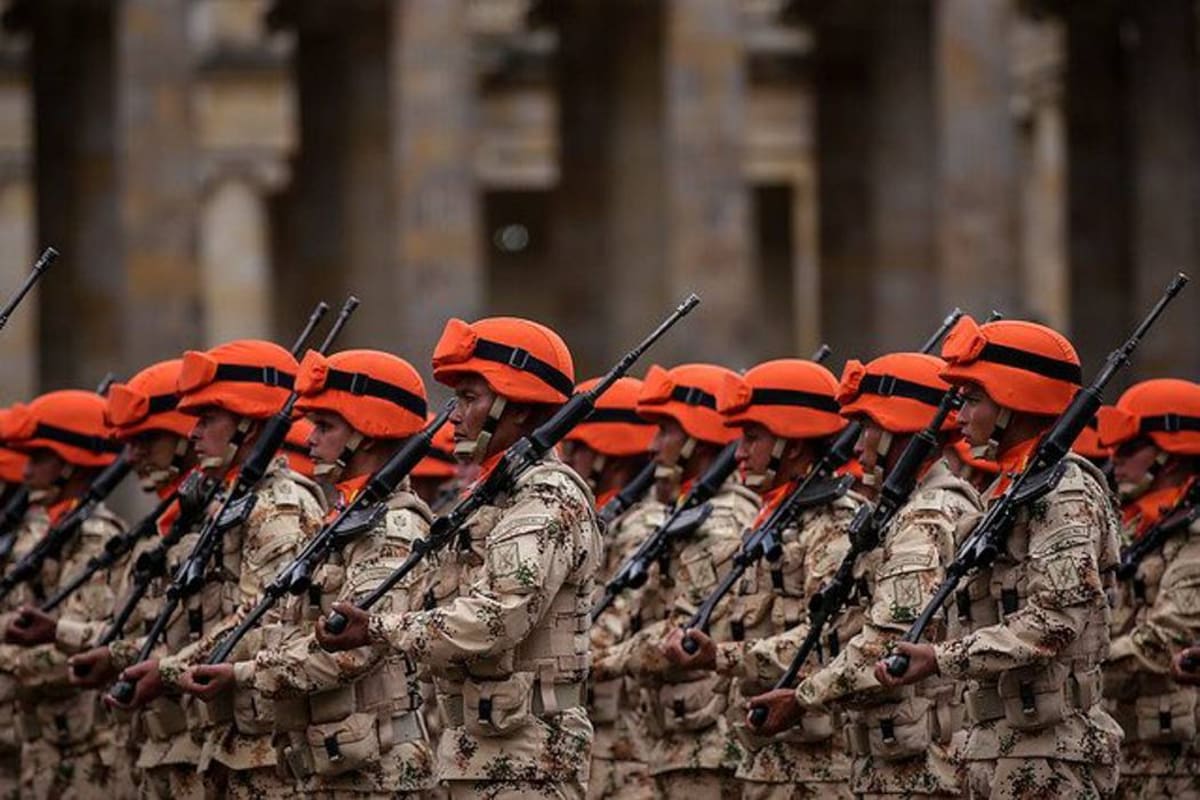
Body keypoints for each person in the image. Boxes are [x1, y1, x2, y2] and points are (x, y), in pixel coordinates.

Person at [315, 317, 603, 800]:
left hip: (527, 761)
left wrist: (379, 627)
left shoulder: (546, 497)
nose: (453, 414)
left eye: (470, 399)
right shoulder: (492, 499)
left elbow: (496, 620)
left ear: (518, 408)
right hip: (475, 750)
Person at [874, 316, 1124, 799]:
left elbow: (1055, 620)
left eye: (971, 400)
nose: (959, 415)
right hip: (995, 747)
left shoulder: (1062, 492)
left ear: (1011, 404)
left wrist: (939, 658)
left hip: (1052, 755)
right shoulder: (1009, 488)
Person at [744, 353, 981, 799]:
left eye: (869, 428)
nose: (857, 447)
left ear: (900, 433)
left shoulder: (928, 517)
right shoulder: (900, 513)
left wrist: (801, 699)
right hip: (891, 760)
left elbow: (886, 644)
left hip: (925, 767)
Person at [110, 339, 327, 799]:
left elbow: (261, 618)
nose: (193, 433)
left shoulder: (278, 505)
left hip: (265, 749)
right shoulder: (225, 506)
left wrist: (167, 671)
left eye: (207, 419)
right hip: (223, 743)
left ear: (247, 424)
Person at [658, 357, 865, 799]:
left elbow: (829, 638)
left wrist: (722, 657)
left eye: (752, 437)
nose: (739, 453)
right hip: (766, 759)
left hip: (819, 767)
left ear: (791, 444)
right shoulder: (773, 518)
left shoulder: (831, 523)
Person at [591, 363, 760, 800]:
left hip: (707, 744)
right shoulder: (691, 514)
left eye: (666, 430)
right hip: (677, 739)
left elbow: (685, 636)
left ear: (696, 438)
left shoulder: (721, 522)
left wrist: (599, 657)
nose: (653, 446)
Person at [0, 390, 130, 799]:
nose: (26, 472)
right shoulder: (45, 536)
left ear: (69, 463)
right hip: (40, 746)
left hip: (86, 755)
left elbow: (69, 652)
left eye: (39, 458)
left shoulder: (94, 539)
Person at [1097, 379, 1200, 799]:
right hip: (1124, 741)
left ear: (1170, 453)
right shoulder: (1132, 526)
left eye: (1128, 449)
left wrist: (1080, 670)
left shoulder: (1192, 531)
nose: (1114, 461)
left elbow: (1170, 634)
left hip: (1175, 760)